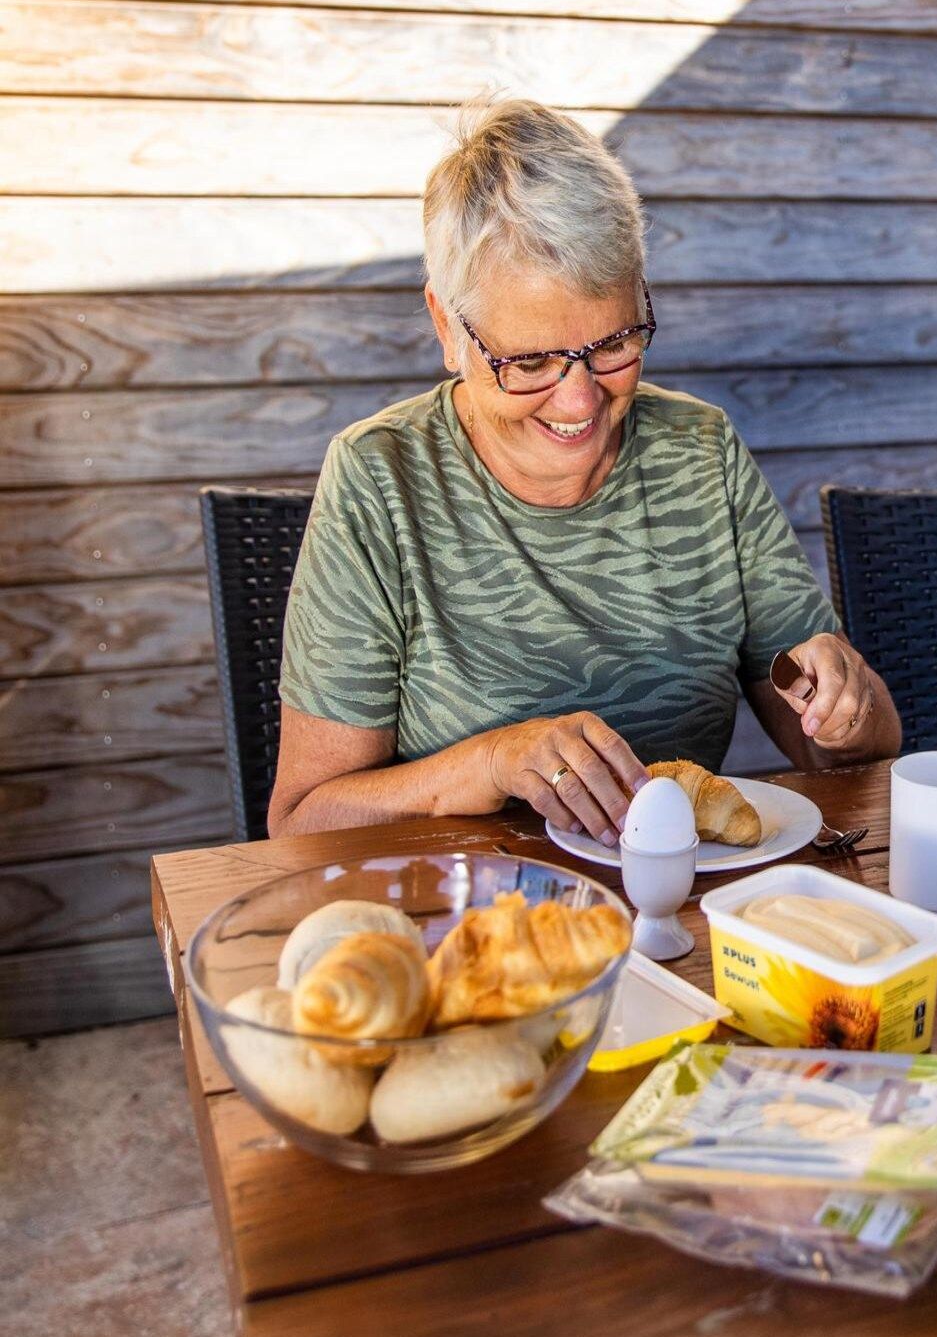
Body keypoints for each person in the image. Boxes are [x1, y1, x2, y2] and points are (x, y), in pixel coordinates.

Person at [270, 99, 899, 842]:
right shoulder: (381, 481)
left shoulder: (700, 452)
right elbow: (303, 822)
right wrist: (490, 762)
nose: (580, 400)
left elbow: (848, 750)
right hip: (472, 923)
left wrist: (846, 706)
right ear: (448, 327)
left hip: (678, 918)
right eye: (528, 361)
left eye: (615, 344)